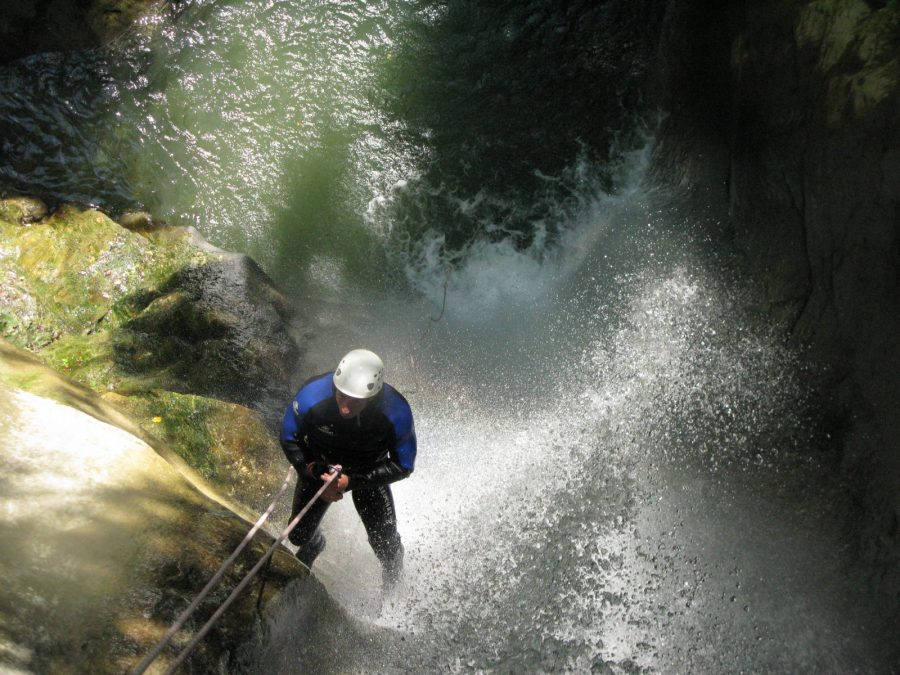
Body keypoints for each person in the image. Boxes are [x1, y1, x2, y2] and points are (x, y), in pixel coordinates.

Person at [280, 349, 416, 588]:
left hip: (367, 473)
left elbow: (403, 465)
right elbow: (289, 437)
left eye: (355, 401)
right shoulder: (313, 396)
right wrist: (310, 470)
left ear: (373, 396)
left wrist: (351, 481)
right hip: (321, 467)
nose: (345, 407)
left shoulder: (396, 411)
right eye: (342, 396)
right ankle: (315, 545)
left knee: (386, 545)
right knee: (298, 535)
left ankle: (394, 589)